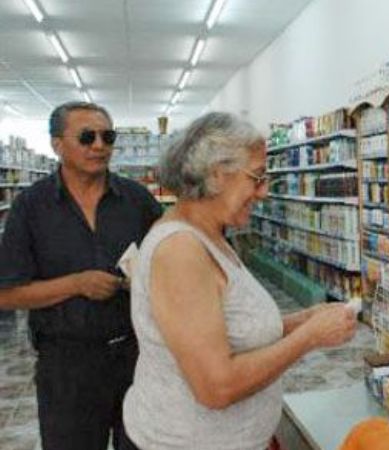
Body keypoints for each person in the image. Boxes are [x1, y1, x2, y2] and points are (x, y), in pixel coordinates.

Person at [121, 112, 357, 450]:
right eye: (257, 177)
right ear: (217, 174)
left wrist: (302, 320)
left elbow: (230, 329)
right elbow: (216, 388)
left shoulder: (210, 235)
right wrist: (309, 337)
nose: (263, 192)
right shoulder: (180, 251)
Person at [0, 102, 163, 450]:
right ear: (57, 145)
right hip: (66, 368)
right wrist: (76, 284)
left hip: (137, 359)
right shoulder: (30, 207)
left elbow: (171, 254)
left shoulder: (137, 200)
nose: (99, 146)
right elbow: (7, 294)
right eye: (87, 137)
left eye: (108, 137)